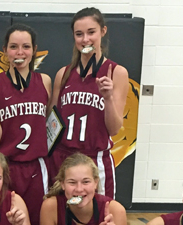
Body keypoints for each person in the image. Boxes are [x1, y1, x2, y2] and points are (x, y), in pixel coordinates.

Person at [48, 7, 129, 199]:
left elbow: (115, 128)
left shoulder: (116, 72)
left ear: (103, 31)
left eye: (91, 32)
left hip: (95, 159)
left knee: (100, 219)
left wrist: (108, 97)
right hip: (63, 157)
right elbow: (50, 123)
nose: (85, 39)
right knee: (59, 216)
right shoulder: (63, 74)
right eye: (79, 34)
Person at [0, 23, 52, 225]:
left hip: (36, 167)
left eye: (26, 47)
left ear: (34, 50)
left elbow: (48, 124)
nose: (20, 53)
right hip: (5, 166)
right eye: (13, 47)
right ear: (5, 51)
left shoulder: (45, 81)